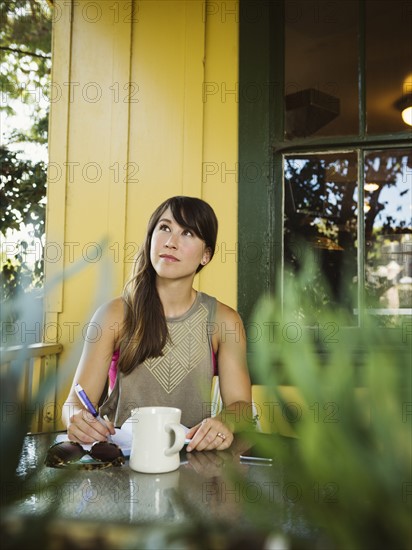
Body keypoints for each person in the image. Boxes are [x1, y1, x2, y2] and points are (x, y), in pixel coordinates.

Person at [62, 196, 251, 452]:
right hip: (122, 460)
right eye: (164, 228)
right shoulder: (112, 315)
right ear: (151, 238)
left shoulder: (225, 321)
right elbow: (75, 402)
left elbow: (241, 406)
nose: (171, 242)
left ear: (206, 255)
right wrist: (76, 418)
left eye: (187, 233)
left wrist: (224, 421)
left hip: (192, 459)